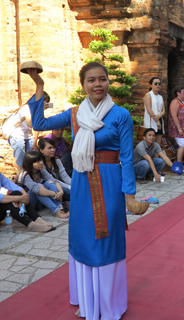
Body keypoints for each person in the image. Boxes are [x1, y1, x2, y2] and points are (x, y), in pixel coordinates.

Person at [27, 62, 146, 319]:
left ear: (108, 82)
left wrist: (131, 195)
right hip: (82, 183)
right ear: (83, 85)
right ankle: (88, 298)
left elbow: (126, 157)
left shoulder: (120, 114)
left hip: (110, 182)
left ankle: (107, 302)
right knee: (83, 238)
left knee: (106, 238)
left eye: (102, 79)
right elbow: (38, 122)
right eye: (91, 80)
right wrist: (39, 86)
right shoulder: (74, 115)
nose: (97, 84)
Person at [5, 92, 51, 172]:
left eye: (47, 102)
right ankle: (21, 180)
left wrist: (35, 143)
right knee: (21, 160)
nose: (45, 104)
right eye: (44, 101)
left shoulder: (37, 111)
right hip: (17, 136)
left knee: (33, 159)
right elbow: (32, 124)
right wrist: (39, 111)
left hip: (29, 136)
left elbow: (37, 127)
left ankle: (32, 178)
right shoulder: (26, 108)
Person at [16, 151, 68, 219]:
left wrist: (60, 192)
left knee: (49, 182)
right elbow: (38, 190)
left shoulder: (40, 169)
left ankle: (60, 207)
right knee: (39, 187)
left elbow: (54, 180)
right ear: (30, 164)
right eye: (37, 162)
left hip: (39, 201)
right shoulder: (24, 175)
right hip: (26, 203)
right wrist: (55, 193)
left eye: (40, 160)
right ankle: (56, 211)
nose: (41, 163)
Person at [38, 138, 71, 202]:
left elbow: (65, 176)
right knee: (67, 191)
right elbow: (52, 179)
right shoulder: (40, 163)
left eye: (53, 147)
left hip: (57, 185)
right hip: (46, 189)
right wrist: (70, 188)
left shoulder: (57, 160)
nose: (53, 150)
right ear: (41, 150)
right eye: (49, 148)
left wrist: (74, 186)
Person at [143, 77, 165, 146]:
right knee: (150, 144)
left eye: (159, 84)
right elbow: (149, 109)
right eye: (155, 83)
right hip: (151, 121)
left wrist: (159, 116)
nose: (157, 85)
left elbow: (163, 110)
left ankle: (156, 157)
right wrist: (157, 121)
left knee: (157, 145)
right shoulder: (148, 95)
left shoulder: (160, 97)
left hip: (159, 120)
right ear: (151, 85)